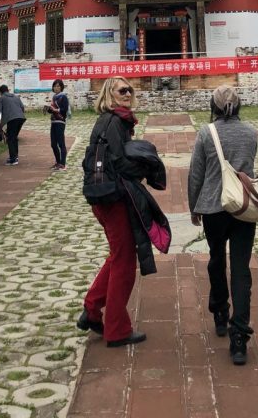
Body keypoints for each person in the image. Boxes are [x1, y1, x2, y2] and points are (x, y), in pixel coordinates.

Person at [187, 84, 258, 365]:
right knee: (241, 269)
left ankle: (219, 311)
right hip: (243, 206)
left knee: (217, 258)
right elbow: (248, 166)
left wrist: (194, 207)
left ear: (213, 106)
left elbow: (196, 174)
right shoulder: (251, 132)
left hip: (214, 208)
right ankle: (239, 337)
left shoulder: (207, 133)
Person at [77, 77, 148, 348]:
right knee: (125, 261)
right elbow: (119, 162)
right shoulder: (115, 122)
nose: (128, 93)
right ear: (110, 94)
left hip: (105, 196)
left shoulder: (112, 120)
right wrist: (147, 168)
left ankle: (92, 308)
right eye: (122, 90)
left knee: (118, 255)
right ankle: (117, 329)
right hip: (112, 197)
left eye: (130, 89)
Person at [0, 84, 26, 166]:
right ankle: (15, 156)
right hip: (21, 118)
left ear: (0, 92)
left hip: (12, 119)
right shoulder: (16, 97)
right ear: (8, 90)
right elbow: (22, 107)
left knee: (10, 139)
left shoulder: (1, 98)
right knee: (14, 137)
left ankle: (13, 159)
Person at [44, 78, 69, 170]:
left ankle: (63, 164)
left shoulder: (63, 97)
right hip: (53, 122)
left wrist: (55, 110)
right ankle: (58, 162)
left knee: (61, 143)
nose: (56, 88)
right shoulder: (54, 97)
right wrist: (49, 109)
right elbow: (53, 111)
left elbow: (64, 110)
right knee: (53, 144)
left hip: (60, 122)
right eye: (55, 86)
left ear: (61, 87)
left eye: (58, 86)